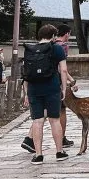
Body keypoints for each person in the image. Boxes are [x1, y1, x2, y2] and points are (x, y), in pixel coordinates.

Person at [20, 24, 71, 164]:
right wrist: (64, 88)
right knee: (54, 120)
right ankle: (59, 152)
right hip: (52, 87)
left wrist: (25, 93)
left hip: (34, 89)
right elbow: (63, 70)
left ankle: (38, 155)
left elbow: (26, 73)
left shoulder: (30, 49)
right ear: (54, 36)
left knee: (37, 121)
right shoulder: (57, 49)